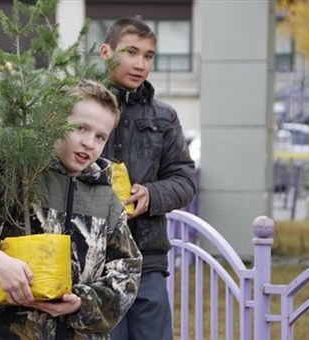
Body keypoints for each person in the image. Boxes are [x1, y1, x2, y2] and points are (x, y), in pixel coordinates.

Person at [0, 79, 142, 339]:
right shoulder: (13, 173)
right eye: (80, 128)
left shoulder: (106, 200)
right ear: (53, 119)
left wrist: (83, 302)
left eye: (100, 137)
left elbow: (128, 269)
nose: (89, 143)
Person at [99, 17, 197, 340]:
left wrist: (152, 195)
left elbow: (185, 179)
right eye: (131, 52)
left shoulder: (164, 117)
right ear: (105, 52)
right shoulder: (81, 111)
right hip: (92, 263)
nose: (140, 64)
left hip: (147, 262)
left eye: (148, 55)